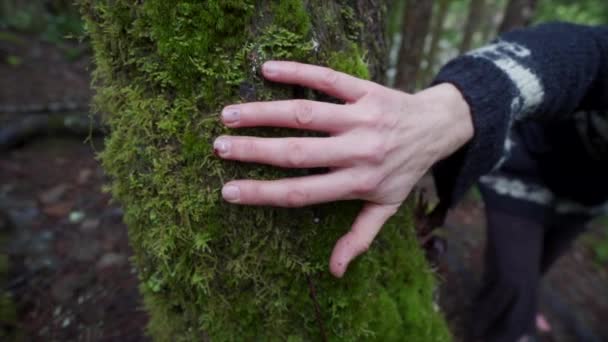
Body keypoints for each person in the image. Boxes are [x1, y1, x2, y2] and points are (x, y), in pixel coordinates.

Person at [212, 22, 608, 341]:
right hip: (523, 174)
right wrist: (456, 108)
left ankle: (526, 301)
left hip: (587, 199)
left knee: (544, 262)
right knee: (510, 282)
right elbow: (584, 53)